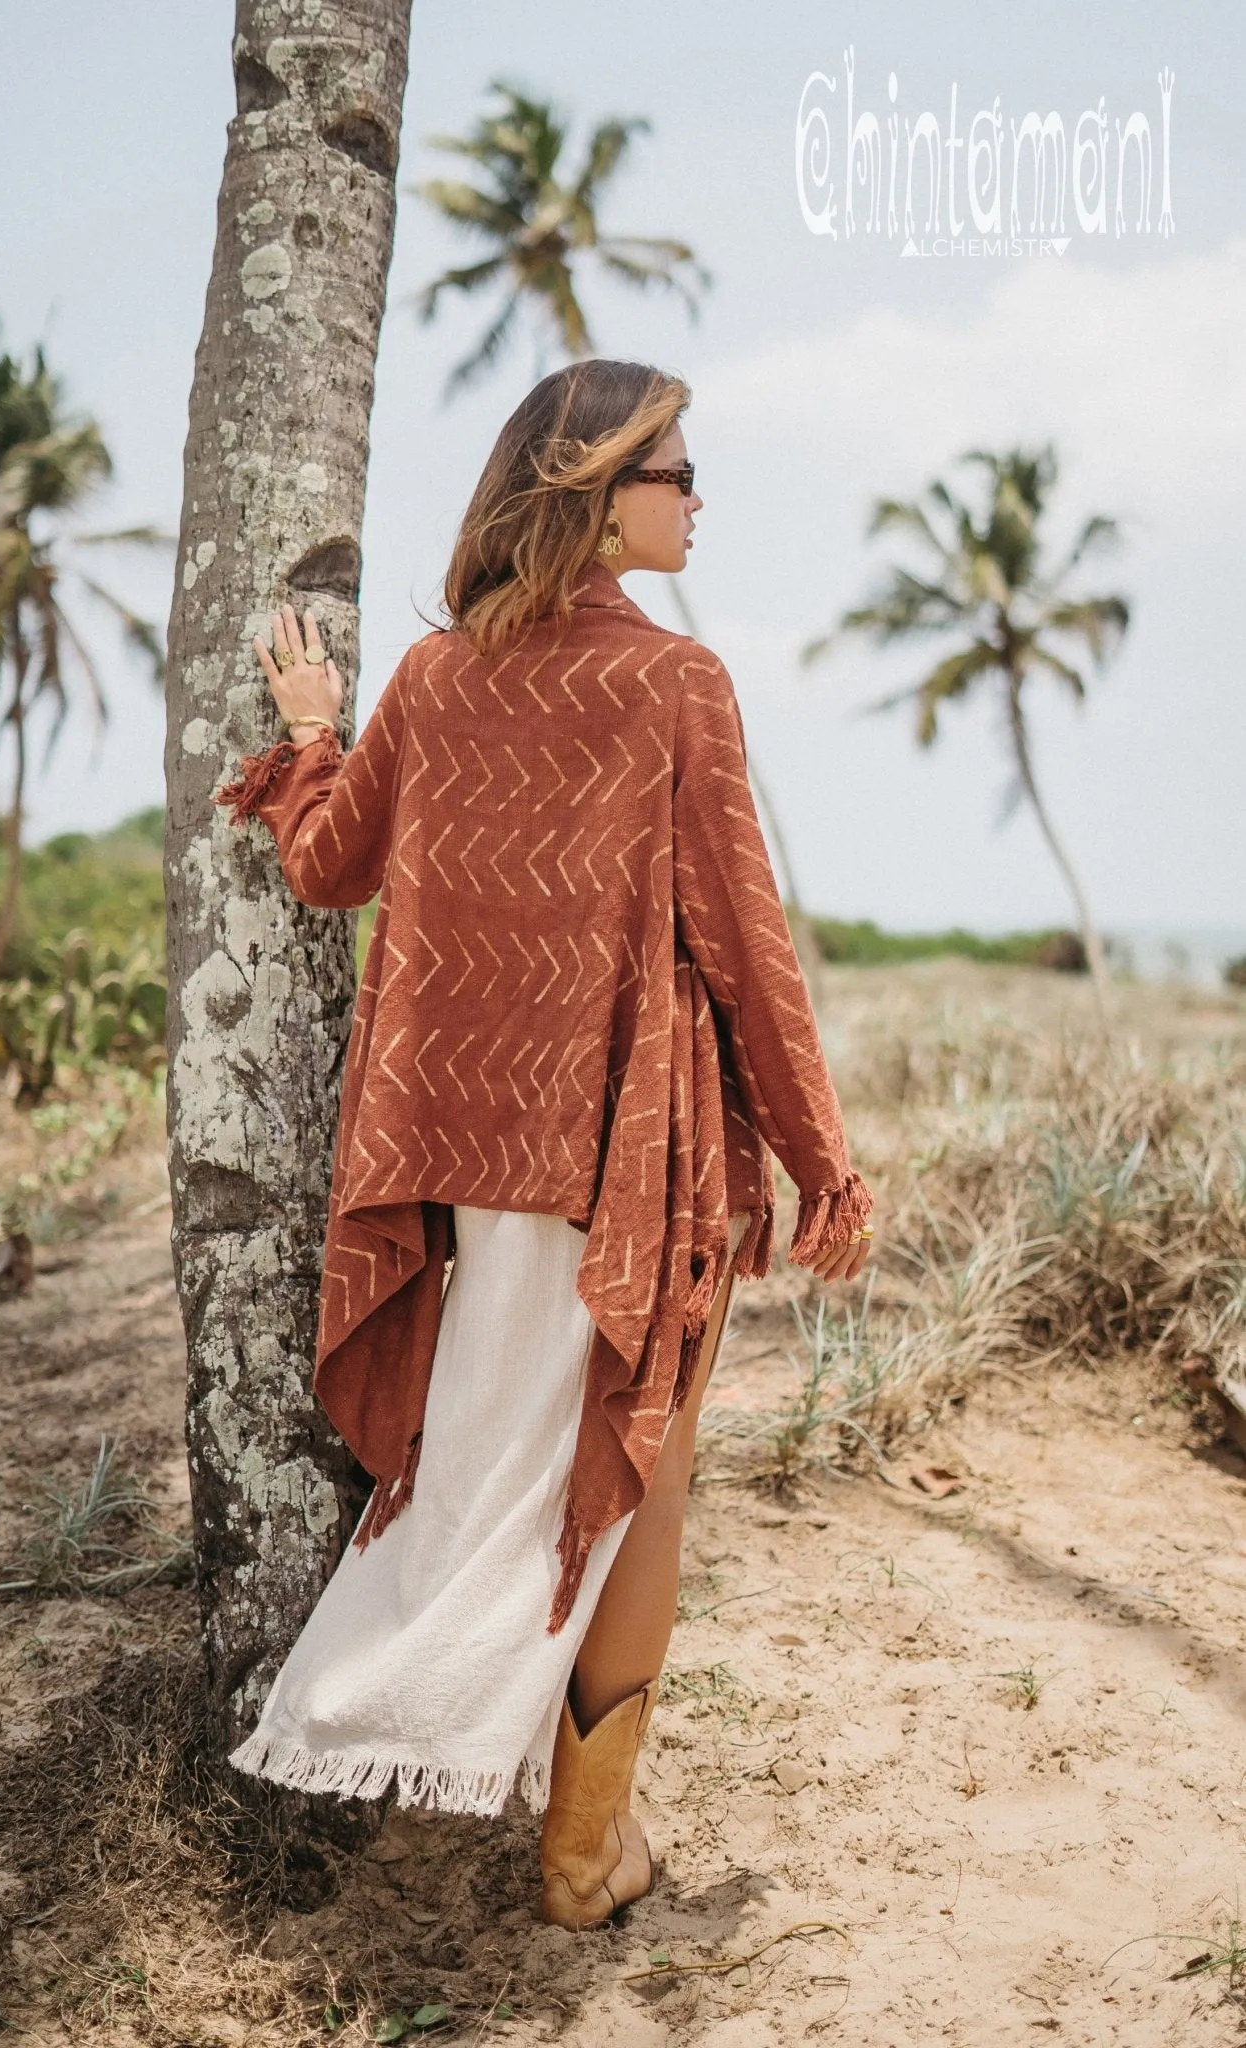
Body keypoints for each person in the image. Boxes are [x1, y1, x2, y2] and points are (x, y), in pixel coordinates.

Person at [212, 359, 873, 1931]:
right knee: (628, 1488)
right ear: (593, 488)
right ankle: (583, 1853)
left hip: (464, 1182)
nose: (699, 499)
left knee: (483, 1483)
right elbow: (746, 944)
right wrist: (821, 1161)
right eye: (677, 473)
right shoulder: (674, 689)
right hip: (629, 1173)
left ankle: (440, 1742)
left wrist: (312, 734)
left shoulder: (437, 683)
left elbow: (327, 863)